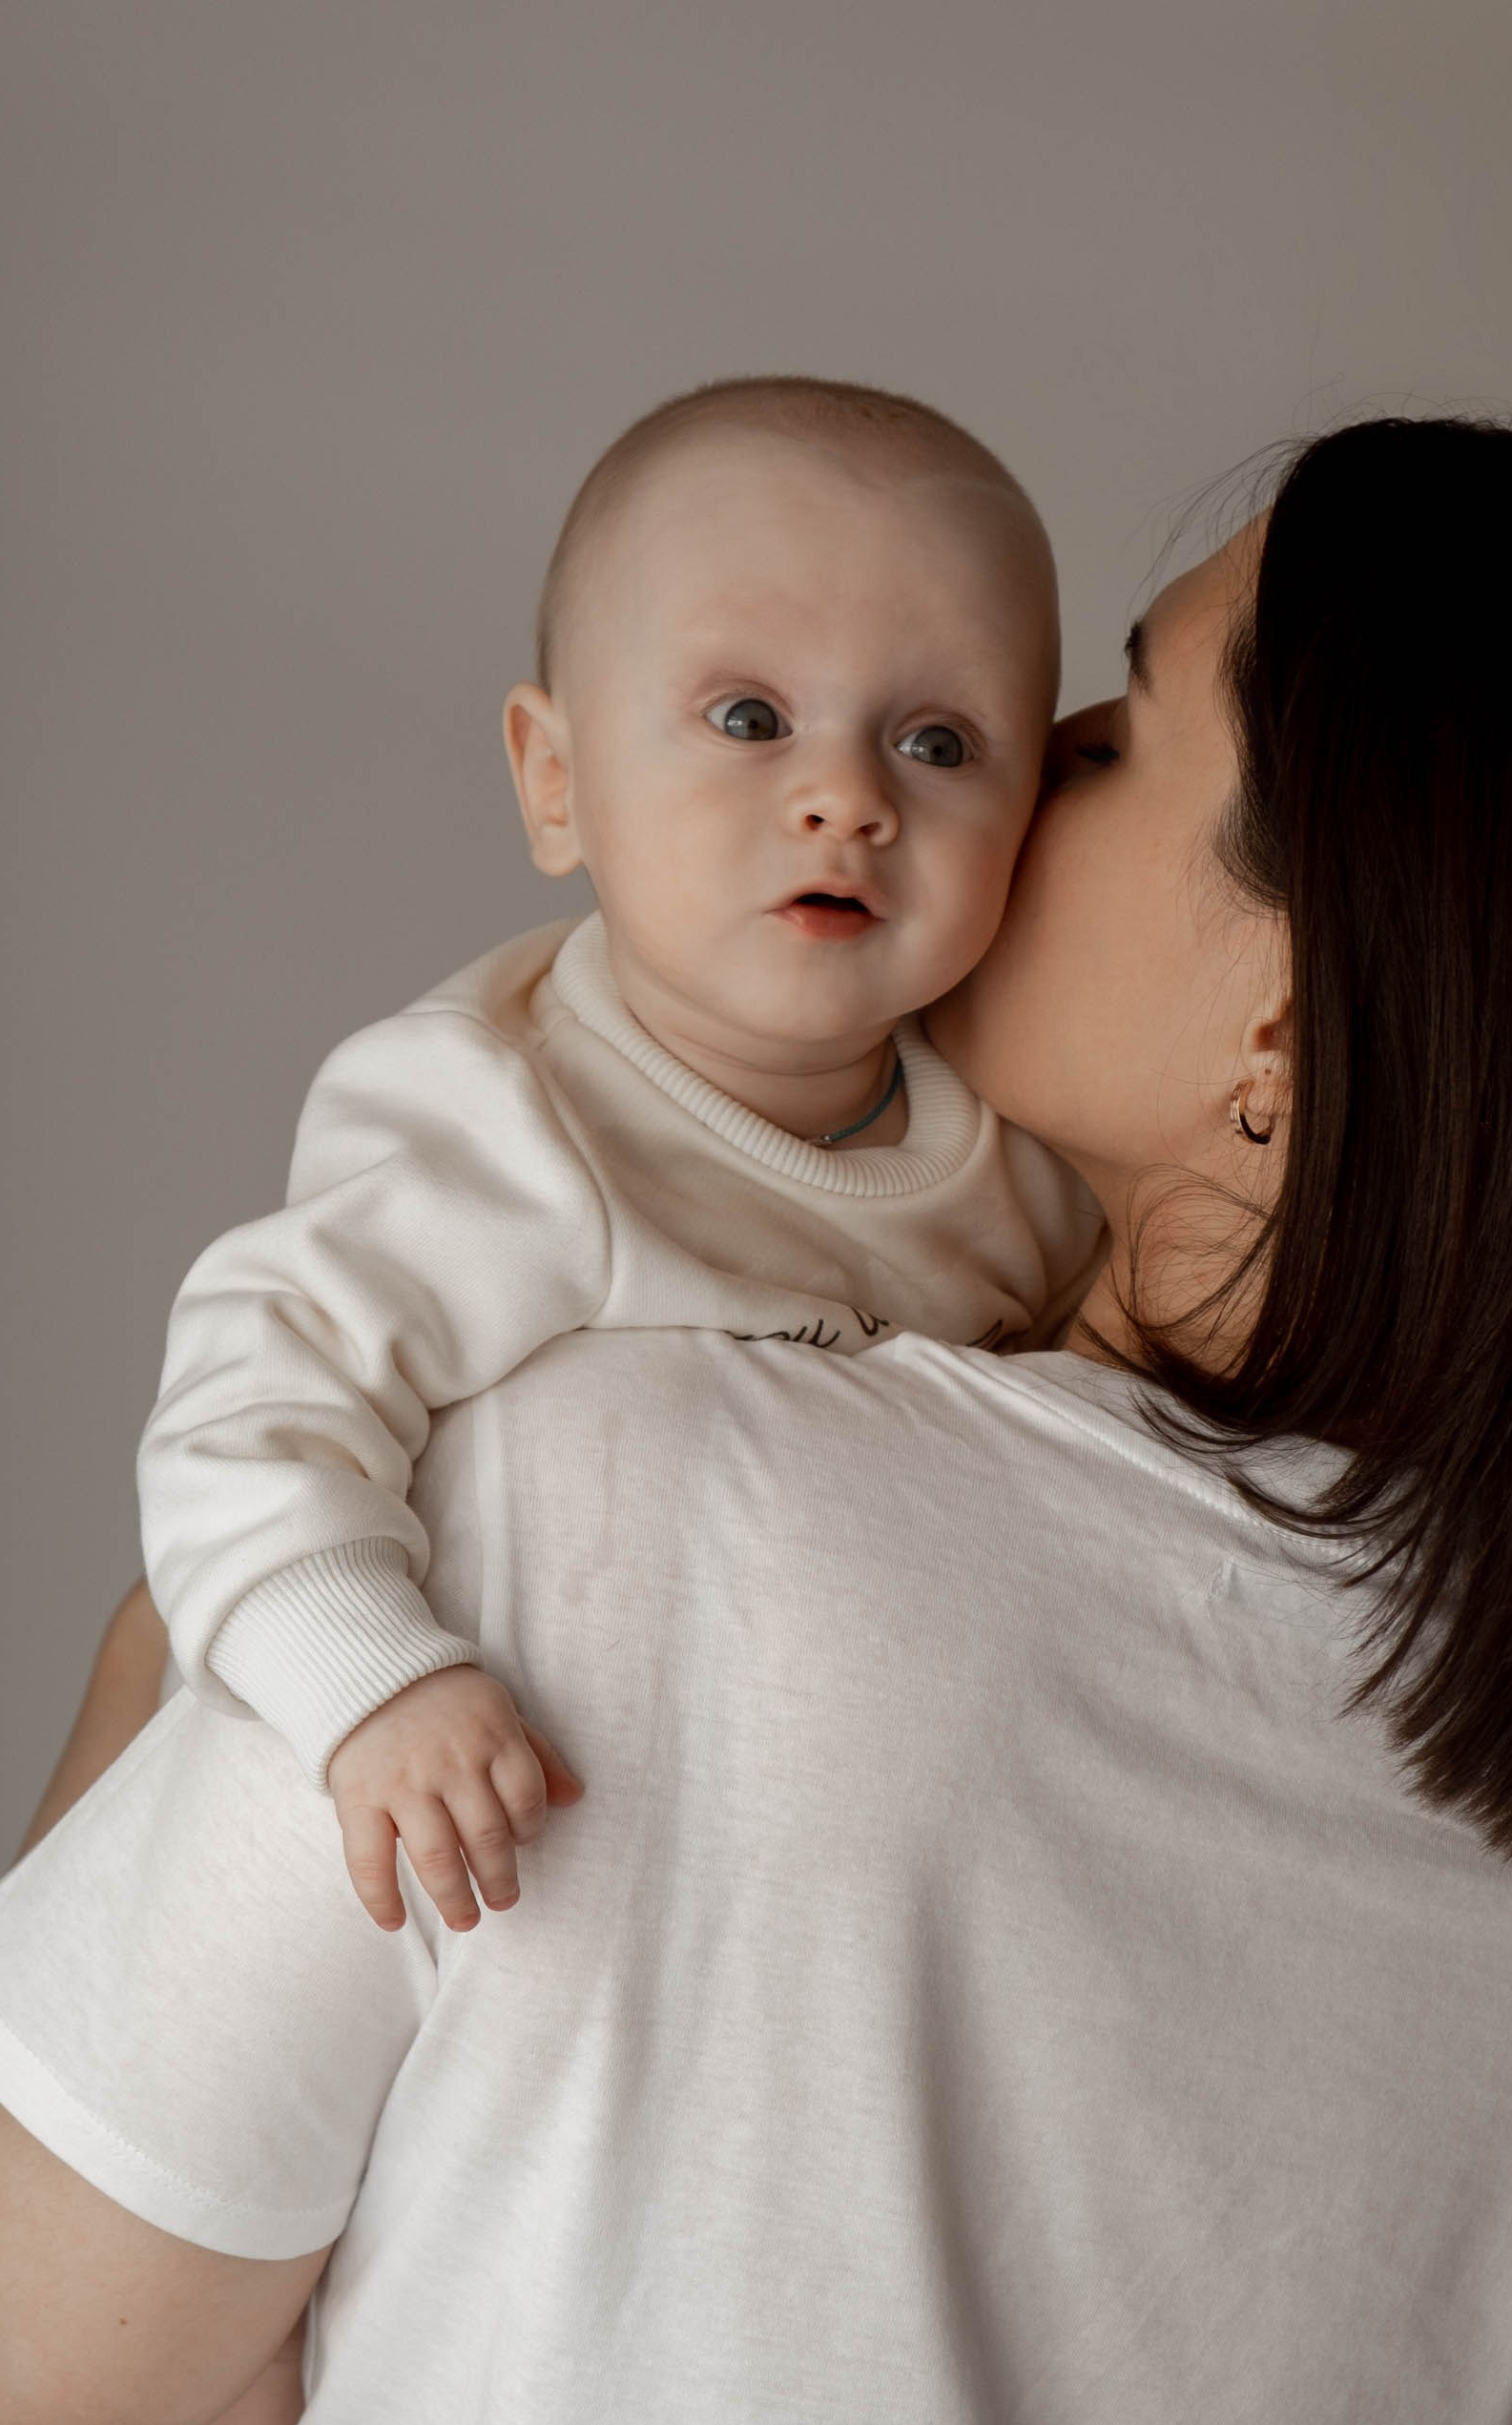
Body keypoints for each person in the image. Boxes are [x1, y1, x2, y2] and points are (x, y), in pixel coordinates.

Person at [0, 418, 1512, 2425]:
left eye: (1106, 738)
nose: (984, 775)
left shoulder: (594, 1493)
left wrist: (195, 1608)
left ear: (1292, 1019)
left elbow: (14, 2352)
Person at [137, 371, 1101, 1943]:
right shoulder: (498, 1116)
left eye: (938, 741)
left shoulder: (1029, 1162)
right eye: (748, 719)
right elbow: (249, 1408)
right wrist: (376, 1682)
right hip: (452, 1838)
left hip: (792, 1876)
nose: (846, 799)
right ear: (556, 781)